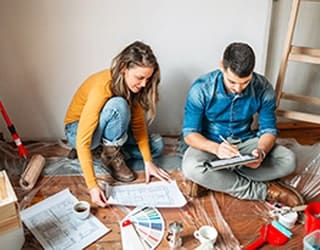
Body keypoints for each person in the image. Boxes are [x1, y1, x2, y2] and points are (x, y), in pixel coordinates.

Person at [181, 42, 304, 207]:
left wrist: (261, 151)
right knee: (190, 167)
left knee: (288, 160)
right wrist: (217, 149)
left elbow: (268, 130)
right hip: (211, 144)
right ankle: (264, 191)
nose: (238, 88)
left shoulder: (263, 87)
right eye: (232, 82)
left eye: (245, 82)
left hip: (245, 142)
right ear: (222, 67)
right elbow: (190, 134)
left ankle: (216, 178)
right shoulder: (201, 88)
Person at [64, 41, 171, 207]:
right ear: (124, 68)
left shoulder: (133, 88)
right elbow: (83, 140)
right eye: (140, 77)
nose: (144, 84)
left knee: (157, 145)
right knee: (118, 105)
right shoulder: (103, 86)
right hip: (78, 132)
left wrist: (148, 162)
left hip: (106, 134)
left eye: (147, 79)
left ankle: (105, 151)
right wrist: (92, 186)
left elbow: (138, 127)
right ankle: (107, 153)